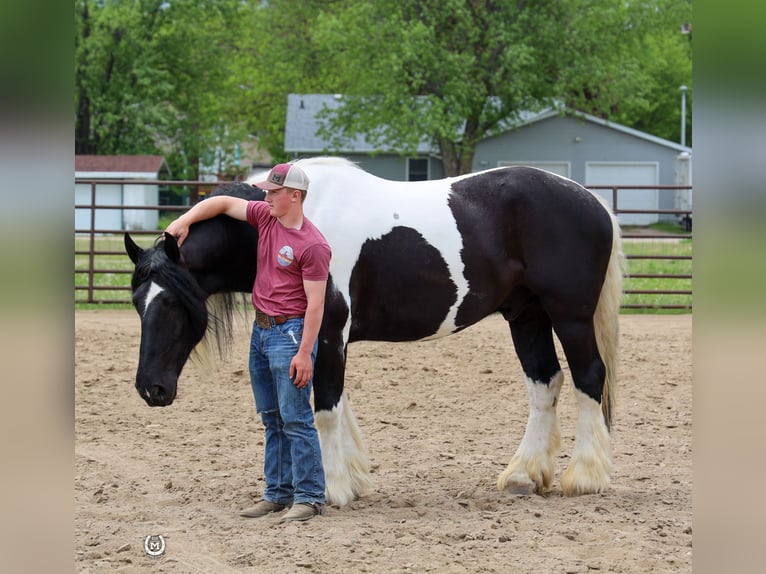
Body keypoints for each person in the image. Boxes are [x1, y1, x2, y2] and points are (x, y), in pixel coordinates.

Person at [166, 162, 330, 522]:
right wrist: (183, 221)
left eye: (273, 192)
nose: (265, 196)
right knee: (272, 418)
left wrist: (305, 352)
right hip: (261, 333)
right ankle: (277, 493)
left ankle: (310, 496)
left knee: (296, 419)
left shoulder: (314, 245)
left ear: (295, 196)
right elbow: (223, 203)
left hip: (290, 334)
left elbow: (317, 304)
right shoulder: (266, 217)